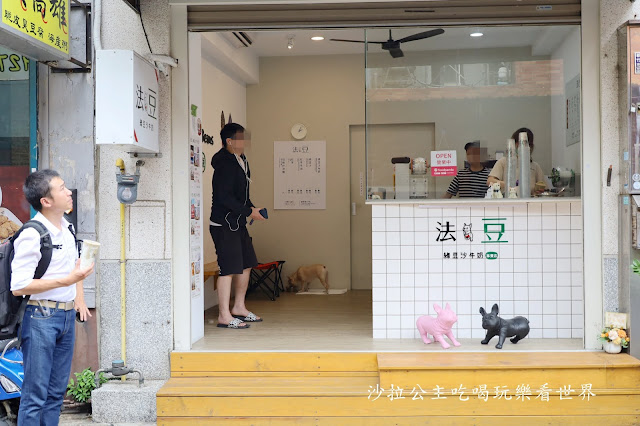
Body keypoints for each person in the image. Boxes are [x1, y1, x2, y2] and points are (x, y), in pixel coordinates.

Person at [10, 169, 94, 425]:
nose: (69, 192)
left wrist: (77, 294)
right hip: (40, 317)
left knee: (56, 393)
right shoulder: (32, 233)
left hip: (66, 316)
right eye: (61, 188)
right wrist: (67, 281)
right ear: (45, 201)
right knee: (35, 394)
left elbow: (73, 269)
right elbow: (19, 285)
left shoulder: (67, 229)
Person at [210, 123, 266, 329]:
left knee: (246, 264)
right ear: (230, 141)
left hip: (238, 223)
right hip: (223, 224)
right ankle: (224, 315)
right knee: (228, 268)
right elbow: (224, 198)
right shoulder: (224, 164)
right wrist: (248, 211)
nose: (245, 142)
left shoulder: (241, 161)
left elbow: (242, 197)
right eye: (241, 138)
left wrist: (253, 208)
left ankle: (239, 307)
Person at [487, 127, 545, 194]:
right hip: (508, 200)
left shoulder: (535, 166)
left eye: (525, 144)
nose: (521, 147)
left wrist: (538, 191)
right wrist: (509, 185)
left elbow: (543, 187)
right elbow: (490, 181)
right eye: (519, 143)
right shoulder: (503, 162)